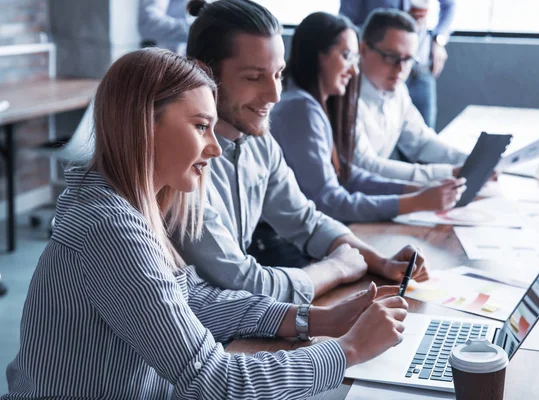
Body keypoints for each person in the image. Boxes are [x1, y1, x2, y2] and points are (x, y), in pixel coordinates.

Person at [3, 47, 412, 400]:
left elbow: (192, 300)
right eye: (201, 126)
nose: (216, 148)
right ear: (144, 126)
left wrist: (314, 318)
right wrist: (349, 350)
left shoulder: (125, 205)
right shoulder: (109, 227)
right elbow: (215, 381)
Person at [178, 0, 429, 306]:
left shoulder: (259, 142)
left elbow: (306, 221)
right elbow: (242, 283)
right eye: (254, 77)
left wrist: (380, 262)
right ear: (205, 74)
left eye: (278, 74)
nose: (274, 95)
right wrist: (337, 267)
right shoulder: (181, 160)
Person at [269, 12, 465, 226]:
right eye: (346, 56)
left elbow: (348, 174)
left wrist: (418, 191)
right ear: (318, 56)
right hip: (284, 242)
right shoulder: (301, 109)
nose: (354, 69)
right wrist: (414, 201)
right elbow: (329, 202)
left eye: (408, 59)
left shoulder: (318, 104)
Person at [354, 8, 467, 183]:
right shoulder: (344, 96)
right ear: (363, 49)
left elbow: (422, 142)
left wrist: (471, 161)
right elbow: (367, 166)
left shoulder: (398, 91)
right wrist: (449, 173)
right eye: (391, 57)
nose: (400, 69)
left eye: (408, 60)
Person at [339, 0, 456, 128]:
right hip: (379, 74)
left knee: (422, 132)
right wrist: (387, 29)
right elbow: (347, 25)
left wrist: (439, 39)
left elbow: (449, 5)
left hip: (420, 68)